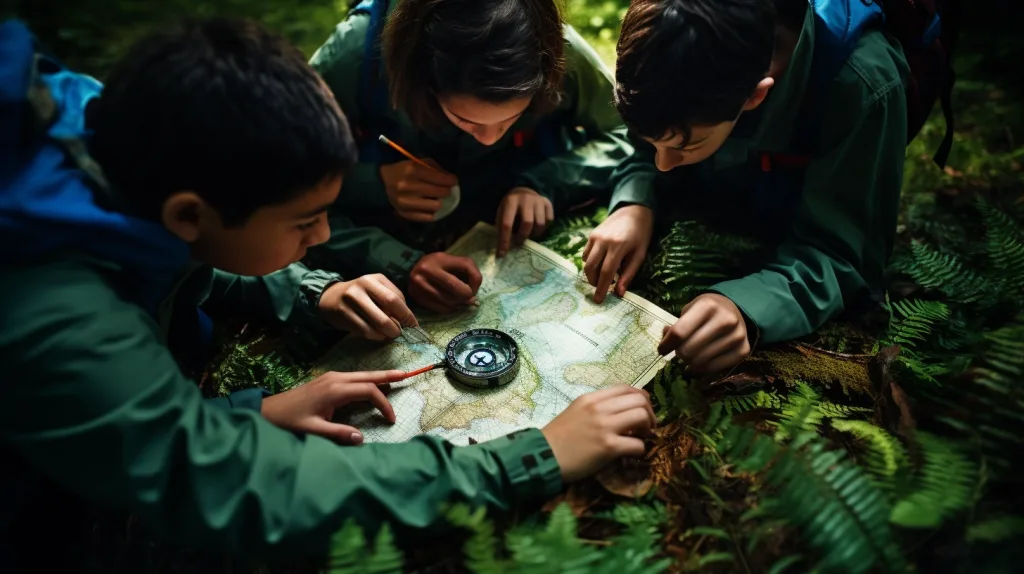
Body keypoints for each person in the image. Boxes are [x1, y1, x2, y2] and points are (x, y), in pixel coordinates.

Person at [0, 17, 657, 564]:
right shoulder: (59, 318)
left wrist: (304, 305)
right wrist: (528, 459)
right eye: (304, 222)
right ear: (189, 213)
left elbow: (177, 256)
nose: (322, 238)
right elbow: (237, 483)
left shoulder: (108, 140)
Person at [583, 0, 914, 374]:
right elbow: (645, 152)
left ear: (756, 95)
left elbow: (844, 254)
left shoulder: (864, 85)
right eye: (657, 144)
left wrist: (745, 306)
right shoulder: (665, 40)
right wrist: (634, 203)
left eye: (685, 145)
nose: (663, 163)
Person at [307, 0, 655, 314]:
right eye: (464, 119)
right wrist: (375, 183)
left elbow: (629, 132)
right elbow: (286, 185)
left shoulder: (551, 48)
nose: (490, 138)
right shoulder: (355, 55)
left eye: (512, 117)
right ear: (422, 78)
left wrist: (544, 182)